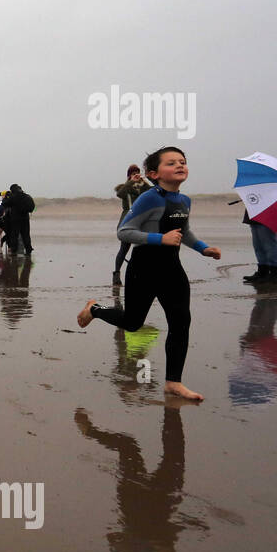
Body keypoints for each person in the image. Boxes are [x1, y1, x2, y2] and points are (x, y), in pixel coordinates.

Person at [77, 147, 221, 401]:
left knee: (181, 323)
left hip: (172, 269)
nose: (179, 165)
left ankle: (173, 383)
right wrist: (159, 238)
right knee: (133, 322)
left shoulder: (184, 201)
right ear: (153, 174)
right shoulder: (149, 198)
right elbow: (124, 231)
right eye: (171, 163)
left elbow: (183, 232)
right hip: (143, 268)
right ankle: (95, 310)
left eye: (183, 162)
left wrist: (203, 249)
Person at [113, 164, 150, 285]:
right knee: (124, 249)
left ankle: (140, 274)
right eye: (133, 173)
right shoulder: (124, 188)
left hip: (141, 222)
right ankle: (116, 275)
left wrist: (144, 182)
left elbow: (153, 193)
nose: (136, 175)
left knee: (142, 249)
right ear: (129, 175)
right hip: (127, 222)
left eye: (137, 172)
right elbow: (120, 194)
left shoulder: (143, 187)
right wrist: (130, 182)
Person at [0, 183, 35, 254]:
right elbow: (32, 206)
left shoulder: (13, 197)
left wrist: (5, 197)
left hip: (15, 219)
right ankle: (28, 249)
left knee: (14, 235)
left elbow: (4, 204)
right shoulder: (26, 196)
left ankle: (14, 250)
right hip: (25, 218)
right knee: (26, 235)